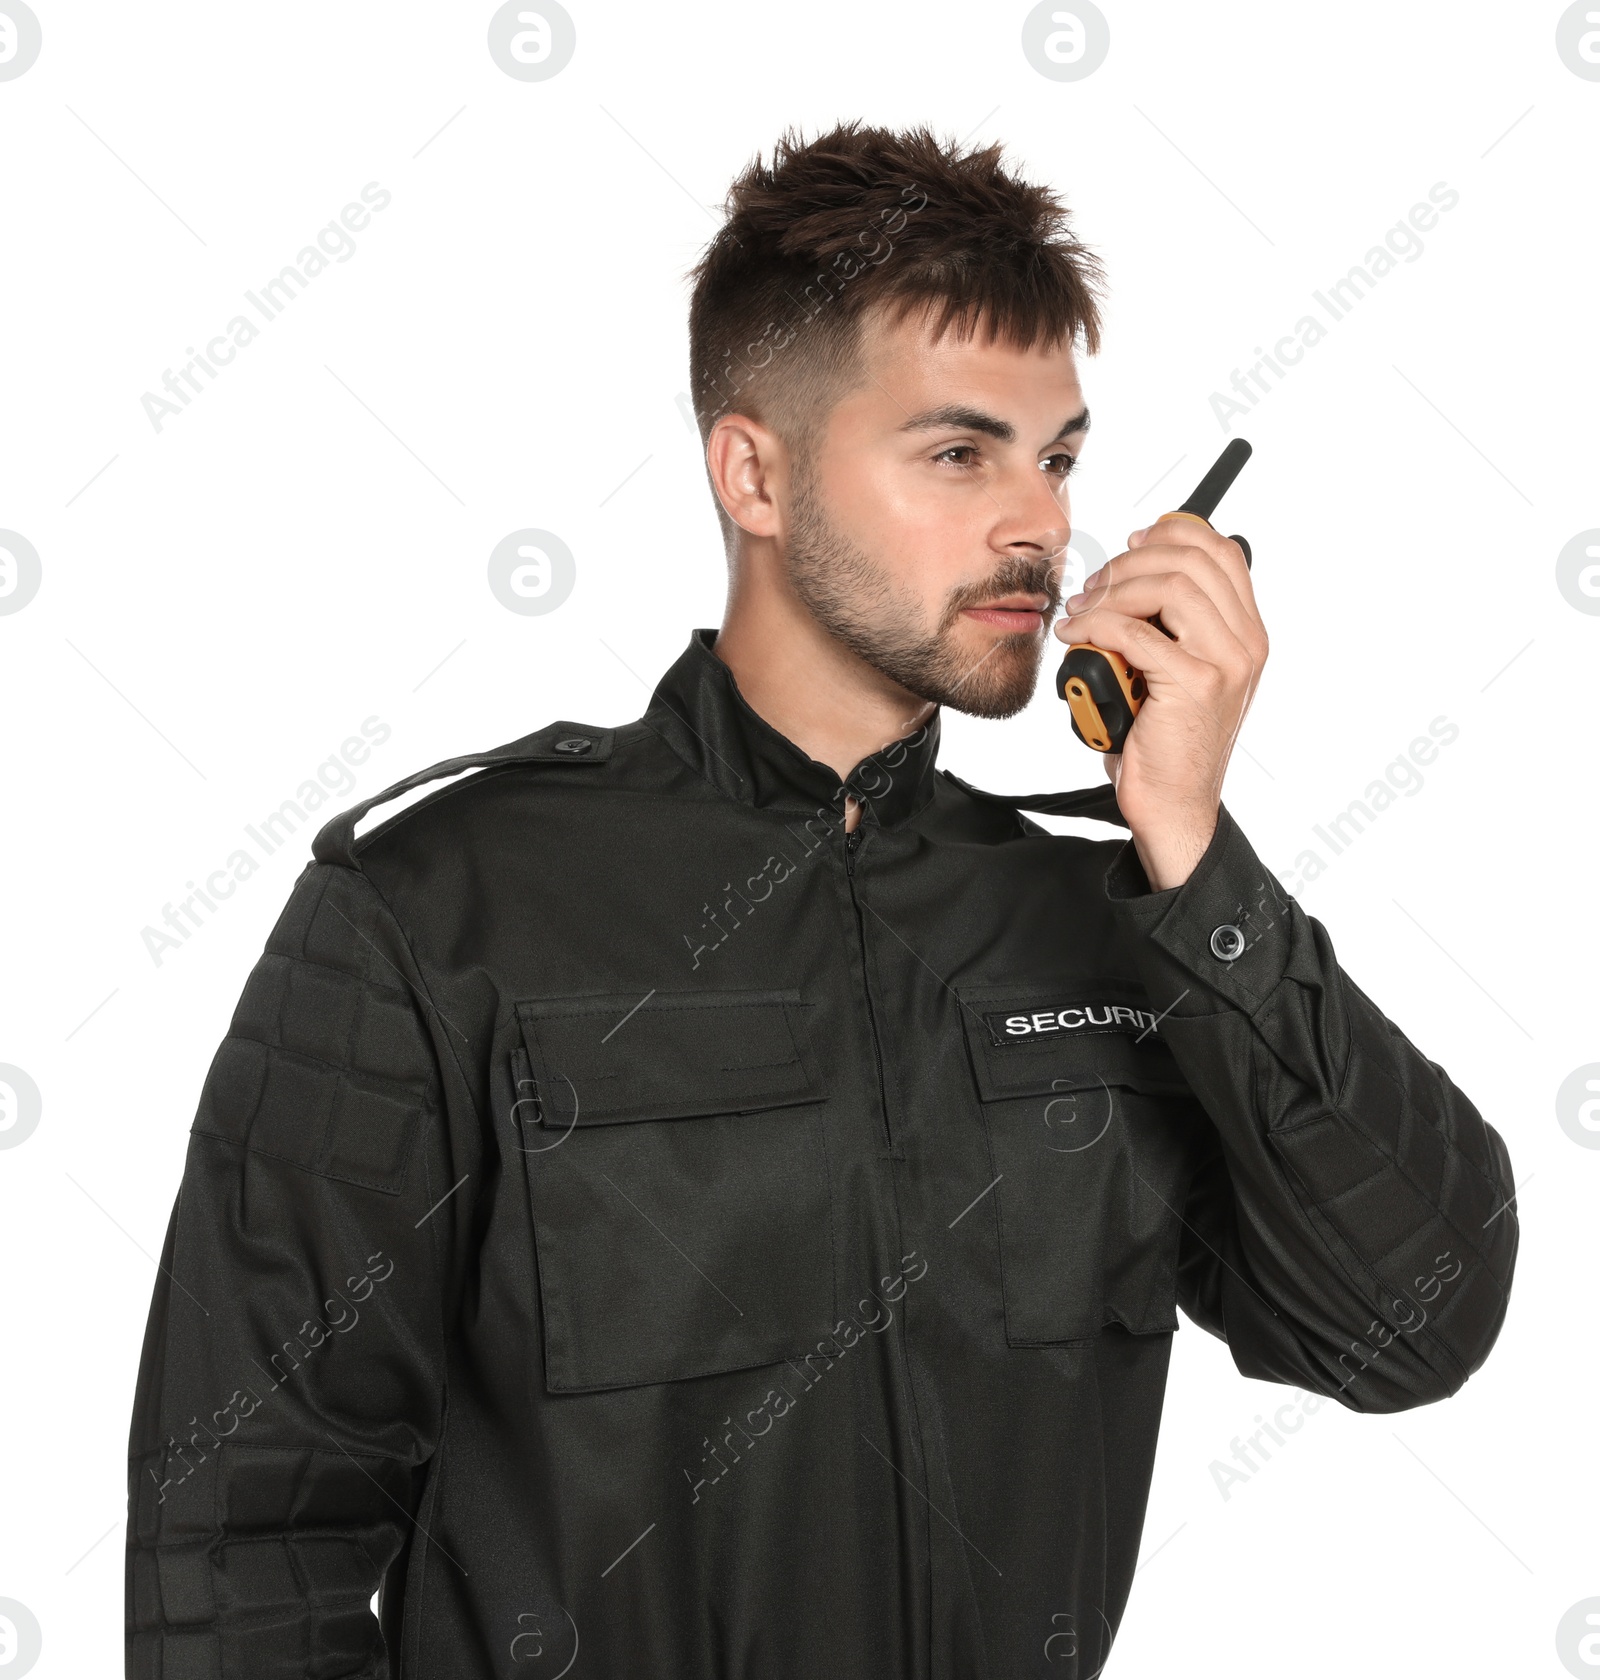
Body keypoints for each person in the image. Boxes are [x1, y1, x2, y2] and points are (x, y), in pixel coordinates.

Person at [126, 121, 1518, 1679]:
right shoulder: (438, 911)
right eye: (957, 451)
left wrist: (1195, 856)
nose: (1040, 526)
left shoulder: (1108, 923)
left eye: (1056, 457)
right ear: (756, 473)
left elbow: (1412, 1323)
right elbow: (243, 1538)